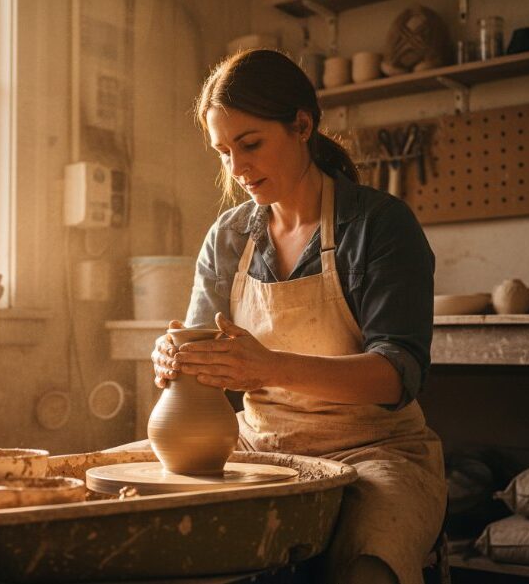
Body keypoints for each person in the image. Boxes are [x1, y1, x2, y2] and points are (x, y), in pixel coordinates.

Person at [150, 49, 446, 584]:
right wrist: (177, 357)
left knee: (367, 569)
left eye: (251, 144)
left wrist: (268, 368)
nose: (237, 169)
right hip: (254, 443)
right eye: (223, 152)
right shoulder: (230, 237)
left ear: (302, 126)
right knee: (102, 493)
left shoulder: (378, 225)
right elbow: (202, 361)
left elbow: (396, 375)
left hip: (375, 450)